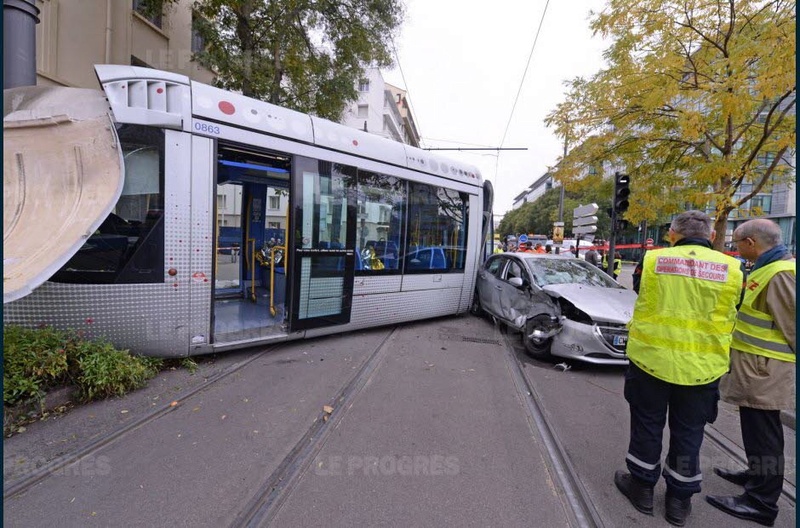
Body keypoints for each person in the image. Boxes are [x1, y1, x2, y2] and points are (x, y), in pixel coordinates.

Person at [614, 210, 744, 527]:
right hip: (702, 369)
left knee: (647, 425)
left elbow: (640, 292)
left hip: (652, 362)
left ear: (672, 234)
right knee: (690, 434)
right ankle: (679, 501)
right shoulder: (734, 269)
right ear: (712, 236)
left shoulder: (654, 261)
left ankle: (642, 488)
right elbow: (733, 308)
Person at [706, 219, 796, 527]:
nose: (737, 249)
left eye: (739, 244)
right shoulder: (768, 267)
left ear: (752, 243)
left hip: (766, 370)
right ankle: (756, 476)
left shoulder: (781, 273)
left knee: (765, 434)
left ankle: (761, 502)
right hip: (757, 368)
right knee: (756, 431)